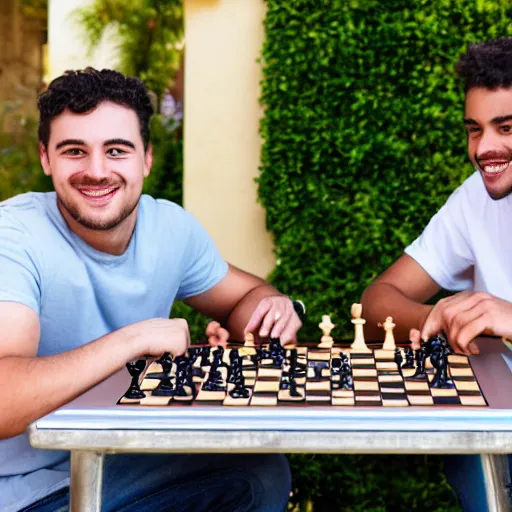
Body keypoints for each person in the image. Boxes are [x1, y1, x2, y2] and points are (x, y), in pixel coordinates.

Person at [0, 68, 302, 512]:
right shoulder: (14, 235)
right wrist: (133, 339)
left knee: (260, 473)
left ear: (146, 159)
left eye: (116, 151)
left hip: (114, 460)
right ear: (46, 159)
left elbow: (245, 298)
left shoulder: (171, 228)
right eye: (74, 151)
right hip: (23, 489)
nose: (96, 171)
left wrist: (270, 309)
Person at [361, 37, 512, 511]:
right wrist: (439, 313)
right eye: (474, 129)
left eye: (505, 127)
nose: (484, 148)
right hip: (497, 426)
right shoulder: (474, 199)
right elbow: (376, 302)